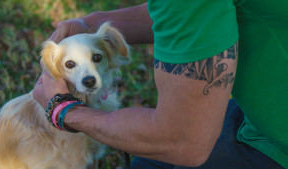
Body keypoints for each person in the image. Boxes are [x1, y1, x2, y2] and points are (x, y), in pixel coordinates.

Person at [33, 1, 288, 169]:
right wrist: (89, 26)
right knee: (148, 163)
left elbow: (183, 141)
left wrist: (64, 109)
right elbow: (187, 11)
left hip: (279, 141)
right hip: (262, 118)